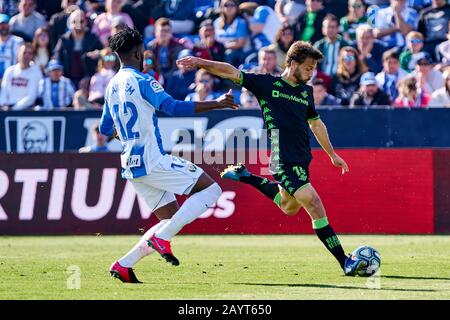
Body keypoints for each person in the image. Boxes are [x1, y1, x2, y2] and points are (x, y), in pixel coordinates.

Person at [177, 40, 366, 276]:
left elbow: (315, 123)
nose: (311, 73)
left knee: (289, 207)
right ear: (293, 63)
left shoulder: (305, 93)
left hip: (301, 160)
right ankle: (345, 261)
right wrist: (199, 62)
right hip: (281, 158)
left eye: (314, 68)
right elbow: (230, 71)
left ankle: (246, 176)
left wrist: (332, 154)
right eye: (308, 68)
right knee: (313, 202)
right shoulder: (267, 84)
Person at [102, 27, 238, 283]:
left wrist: (124, 134)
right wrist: (217, 103)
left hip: (131, 165)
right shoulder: (142, 81)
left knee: (171, 218)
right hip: (153, 159)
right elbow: (173, 107)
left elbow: (105, 128)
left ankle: (124, 264)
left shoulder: (111, 87)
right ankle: (160, 239)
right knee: (211, 191)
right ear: (138, 52)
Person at [53, 9, 103, 88]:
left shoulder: (93, 40)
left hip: (90, 81)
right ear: (69, 24)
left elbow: (103, 56)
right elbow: (56, 58)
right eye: (74, 22)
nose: (78, 25)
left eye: (81, 21)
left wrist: (98, 54)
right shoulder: (64, 40)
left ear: (86, 22)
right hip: (67, 81)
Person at [0, 42, 42, 110]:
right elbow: (4, 92)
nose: (26, 56)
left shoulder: (36, 72)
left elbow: (31, 97)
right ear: (18, 53)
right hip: (7, 108)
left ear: (32, 56)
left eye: (30, 53)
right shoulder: (10, 71)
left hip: (26, 110)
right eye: (24, 52)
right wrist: (4, 105)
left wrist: (14, 109)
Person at [213, 0, 249, 67]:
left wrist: (223, 47)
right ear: (221, 7)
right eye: (226, 5)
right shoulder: (217, 22)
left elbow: (241, 43)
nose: (229, 7)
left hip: (238, 52)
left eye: (232, 5)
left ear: (236, 7)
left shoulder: (240, 22)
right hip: (219, 49)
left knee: (228, 54)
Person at [0, 13, 23, 83]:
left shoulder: (18, 42)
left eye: (5, 24)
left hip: (12, 80)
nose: (3, 27)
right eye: (1, 25)